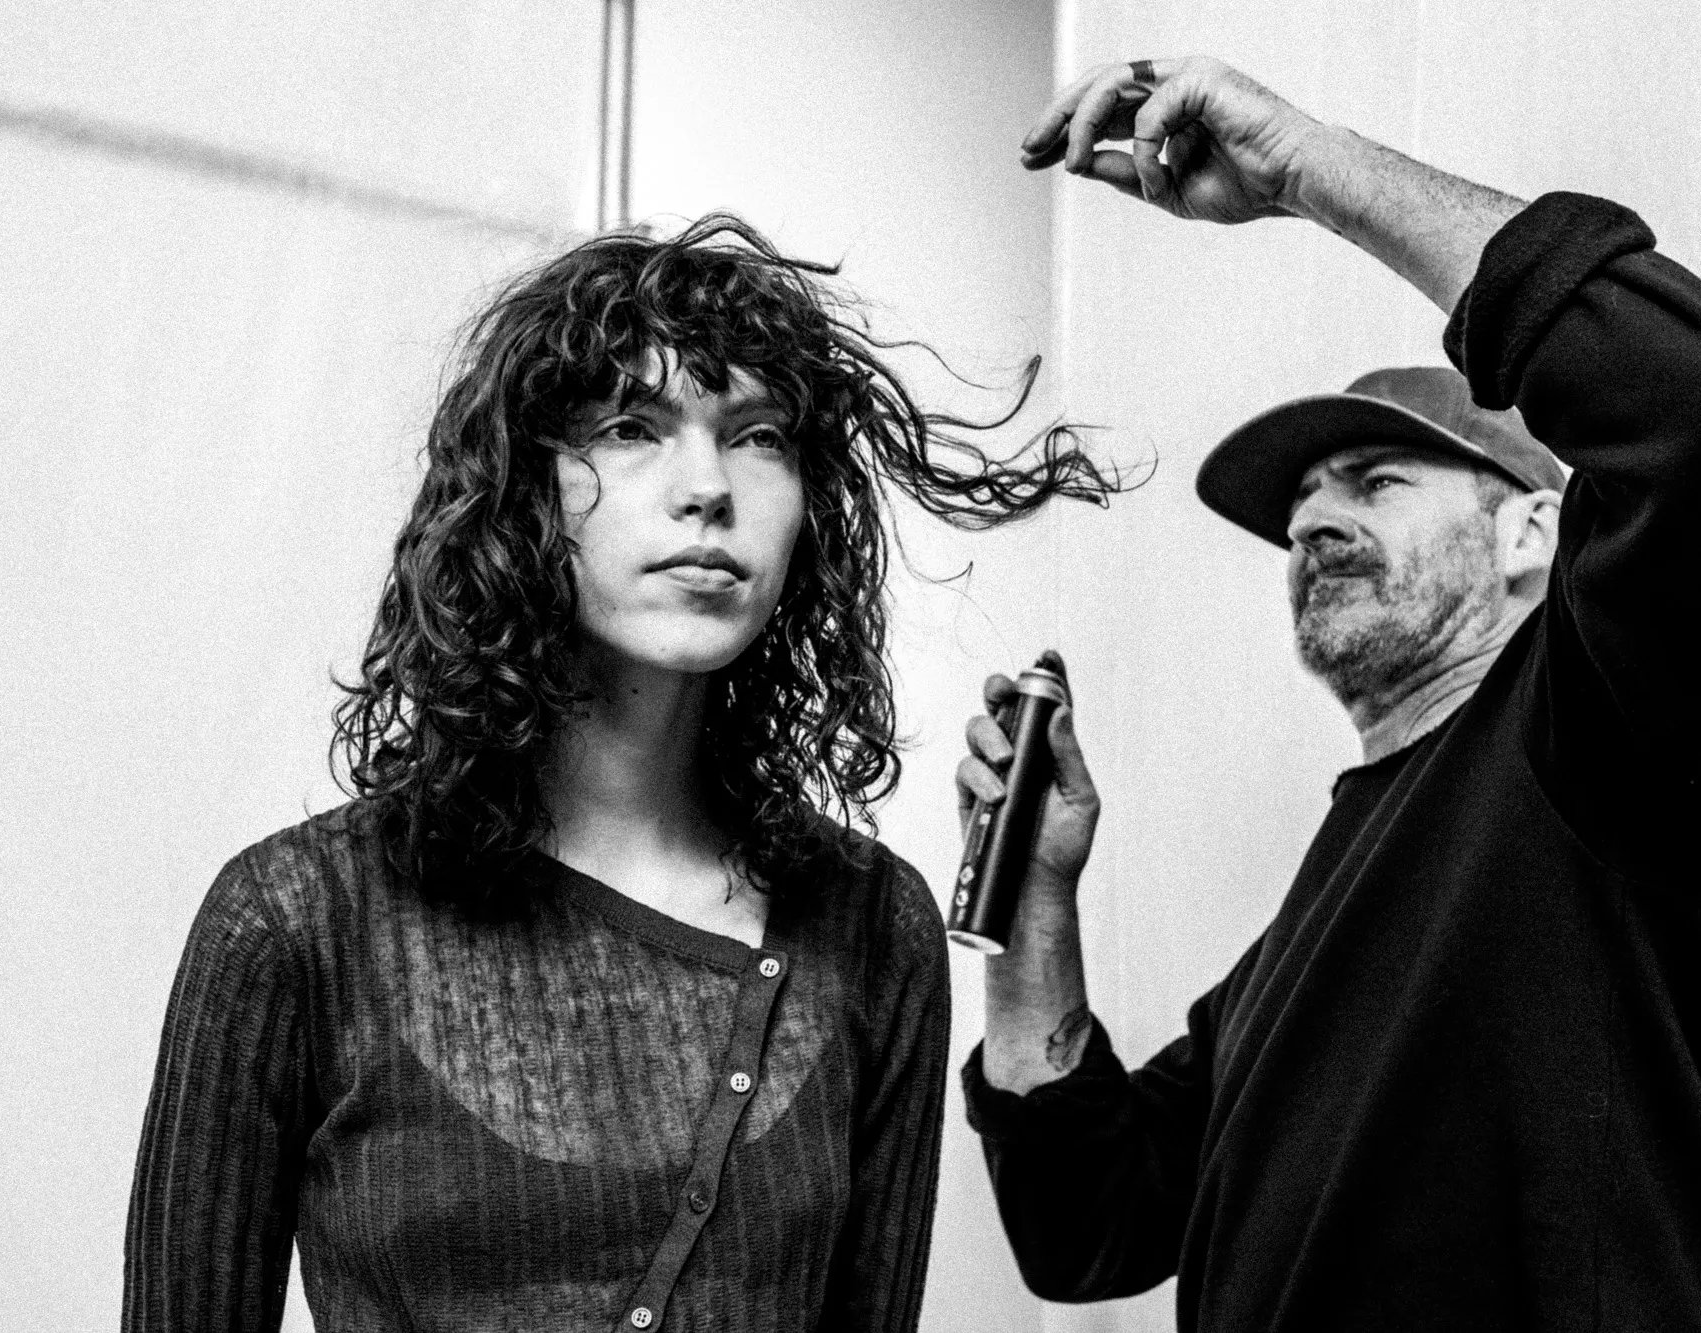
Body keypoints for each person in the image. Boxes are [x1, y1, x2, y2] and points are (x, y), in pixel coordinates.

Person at [123, 215, 1120, 1332]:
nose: (706, 487)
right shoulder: (299, 918)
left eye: (758, 436)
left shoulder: (870, 923)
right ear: (524, 492)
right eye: (631, 427)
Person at [956, 56, 1701, 1330]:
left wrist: (1308, 168)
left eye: (1375, 480)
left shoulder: (1606, 740)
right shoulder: (1307, 936)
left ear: (1532, 532)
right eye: (1300, 500)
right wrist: (1033, 905)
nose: (1311, 516)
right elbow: (1088, 1225)